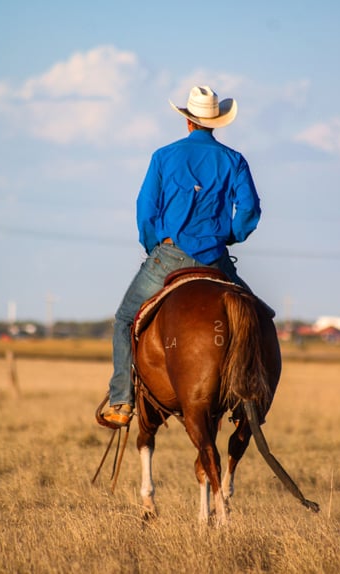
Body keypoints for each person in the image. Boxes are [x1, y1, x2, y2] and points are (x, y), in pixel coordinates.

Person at [102, 85, 262, 428]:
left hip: (169, 256)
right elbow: (249, 209)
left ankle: (120, 400)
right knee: (257, 317)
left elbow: (145, 209)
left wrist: (153, 245)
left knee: (124, 320)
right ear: (215, 123)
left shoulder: (163, 156)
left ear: (188, 121)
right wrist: (230, 235)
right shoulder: (234, 160)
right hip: (215, 259)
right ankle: (252, 396)